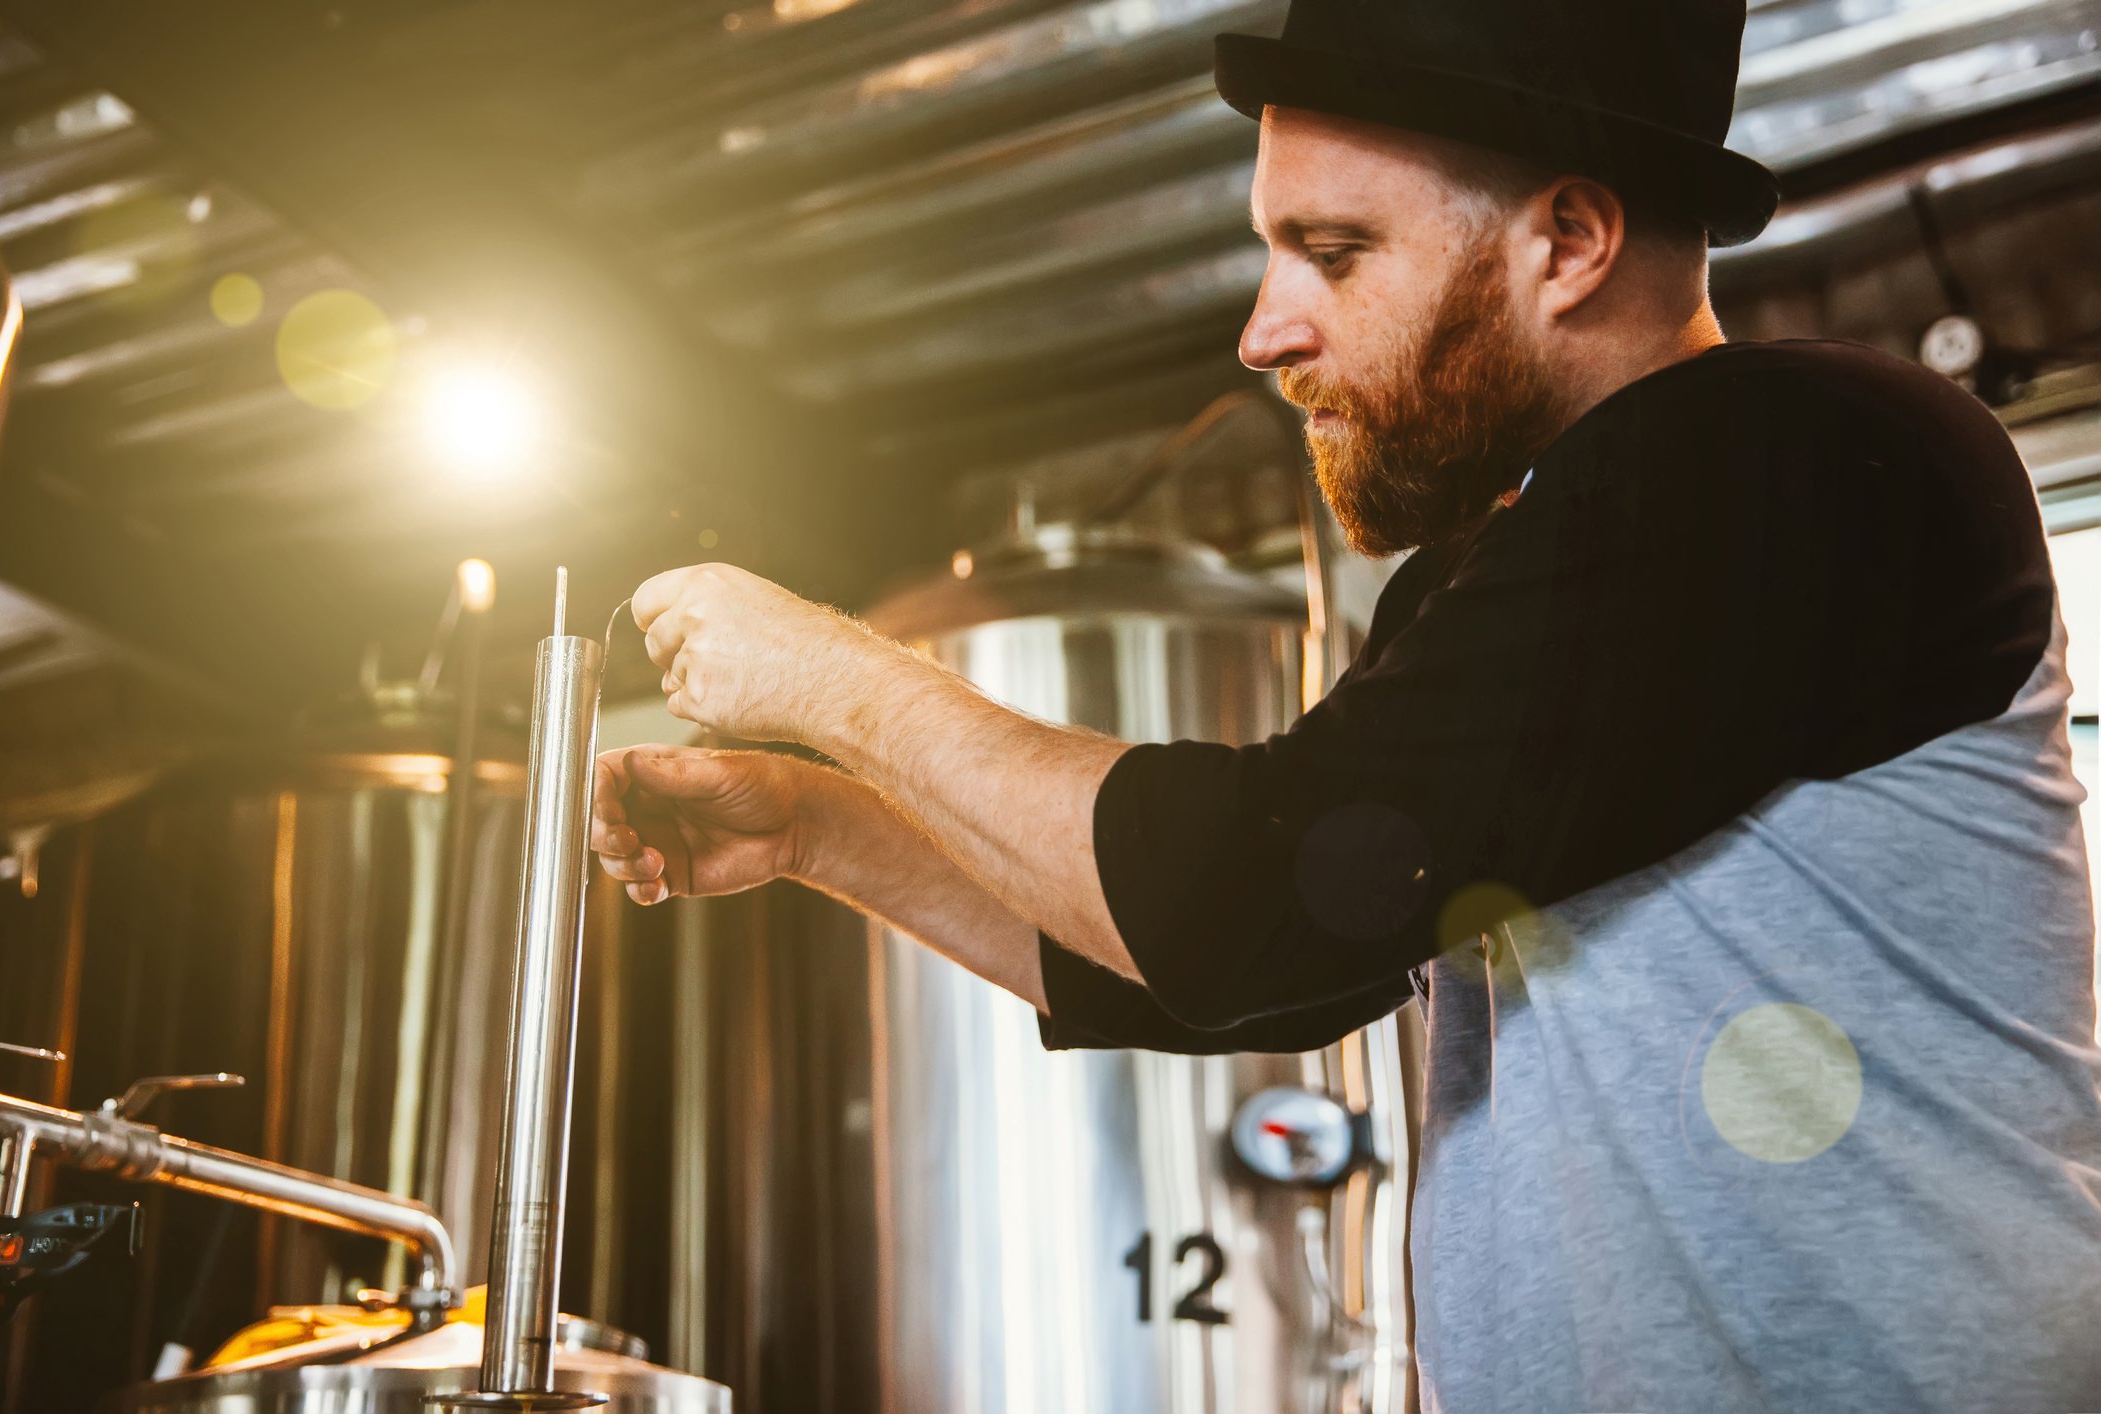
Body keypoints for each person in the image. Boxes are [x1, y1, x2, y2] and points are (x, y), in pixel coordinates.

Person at [590, 0, 2101, 1406]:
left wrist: (830, 679)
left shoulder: (1798, 455)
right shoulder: (1504, 566)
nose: (1262, 330)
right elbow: (1260, 962)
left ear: (1567, 238)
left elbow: (1252, 899)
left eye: (1332, 249)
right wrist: (818, 823)